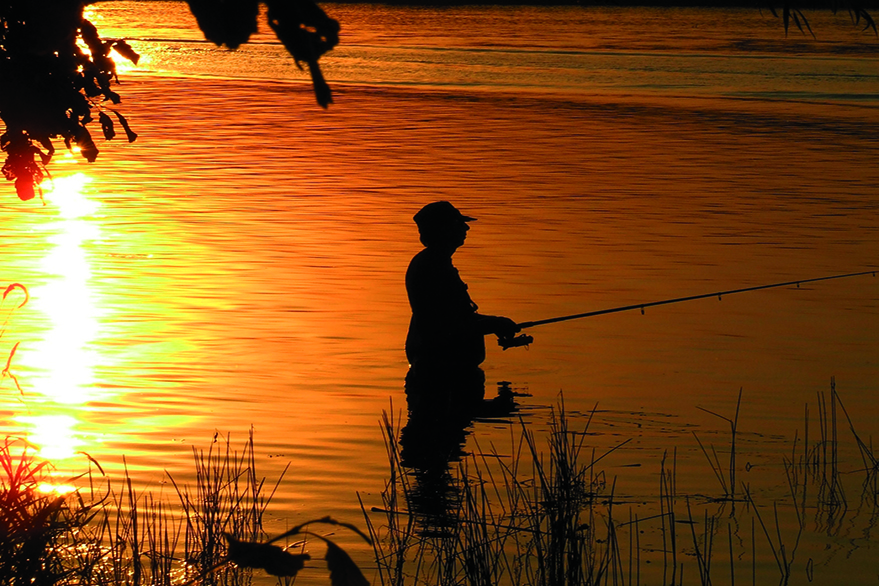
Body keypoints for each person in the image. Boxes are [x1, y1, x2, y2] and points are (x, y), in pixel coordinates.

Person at [405, 201, 520, 371]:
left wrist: (494, 323)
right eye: (459, 224)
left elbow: (456, 317)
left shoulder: (436, 263)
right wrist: (494, 324)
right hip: (443, 371)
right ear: (443, 229)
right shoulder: (432, 268)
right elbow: (445, 325)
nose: (467, 228)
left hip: (447, 367)